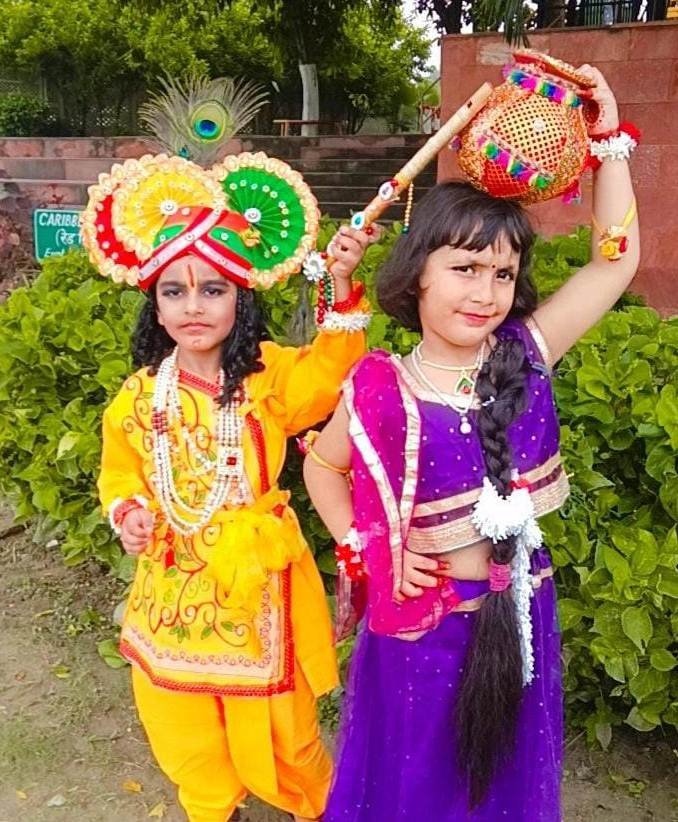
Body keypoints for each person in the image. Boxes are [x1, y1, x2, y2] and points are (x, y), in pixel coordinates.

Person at [303, 65, 640, 820]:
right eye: (464, 269)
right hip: (420, 628)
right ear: (416, 275)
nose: (485, 292)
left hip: (517, 615)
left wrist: (609, 138)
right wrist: (367, 547)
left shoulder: (526, 351)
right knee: (415, 789)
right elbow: (323, 468)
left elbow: (615, 261)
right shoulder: (382, 385)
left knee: (501, 791)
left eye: (503, 273)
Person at [87, 147, 373, 822]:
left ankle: (318, 809)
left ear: (240, 300)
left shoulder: (267, 378)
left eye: (212, 290)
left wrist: (339, 281)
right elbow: (119, 470)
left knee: (286, 734)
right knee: (181, 727)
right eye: (174, 291)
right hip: (170, 591)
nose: (193, 307)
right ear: (154, 306)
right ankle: (215, 809)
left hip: (255, 590)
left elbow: (330, 374)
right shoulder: (139, 396)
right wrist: (129, 511)